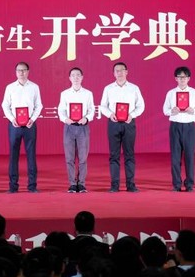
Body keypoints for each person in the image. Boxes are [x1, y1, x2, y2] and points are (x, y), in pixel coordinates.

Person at [99, 61, 145, 192]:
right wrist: (110, 114)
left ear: (127, 72)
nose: (119, 73)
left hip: (129, 123)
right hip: (113, 123)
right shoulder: (108, 88)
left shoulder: (134, 88)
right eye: (117, 71)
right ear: (114, 73)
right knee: (114, 155)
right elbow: (103, 106)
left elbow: (141, 105)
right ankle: (114, 185)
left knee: (129, 154)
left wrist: (132, 115)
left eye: (122, 70)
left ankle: (131, 184)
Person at [1, 61, 43, 193]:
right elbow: (5, 105)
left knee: (31, 155)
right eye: (19, 70)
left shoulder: (34, 87)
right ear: (16, 72)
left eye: (24, 70)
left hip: (30, 125)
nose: (21, 73)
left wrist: (32, 119)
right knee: (13, 156)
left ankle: (32, 186)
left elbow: (39, 105)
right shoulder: (10, 87)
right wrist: (12, 118)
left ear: (28, 72)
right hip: (14, 125)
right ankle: (13, 186)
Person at [162, 66, 195, 193]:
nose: (182, 79)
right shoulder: (171, 93)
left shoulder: (194, 93)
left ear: (188, 78)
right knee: (175, 157)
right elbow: (165, 110)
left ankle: (189, 184)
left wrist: (193, 110)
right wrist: (172, 111)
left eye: (184, 77)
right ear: (176, 78)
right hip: (175, 126)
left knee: (189, 156)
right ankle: (176, 184)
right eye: (179, 77)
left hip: (189, 126)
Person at [57, 67, 96, 193]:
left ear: (82, 77)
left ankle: (82, 183)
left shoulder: (88, 93)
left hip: (83, 127)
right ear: (69, 78)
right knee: (69, 158)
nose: (76, 77)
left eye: (78, 75)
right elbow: (61, 110)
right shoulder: (64, 94)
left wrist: (86, 118)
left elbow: (91, 110)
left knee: (83, 158)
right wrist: (65, 119)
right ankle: (72, 183)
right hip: (69, 127)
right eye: (73, 75)